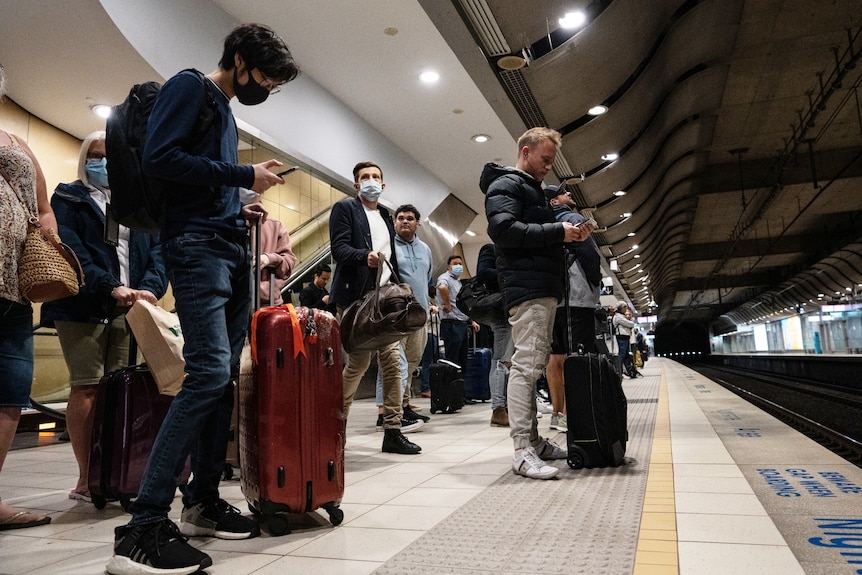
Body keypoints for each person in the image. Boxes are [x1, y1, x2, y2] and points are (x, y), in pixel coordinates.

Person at [107, 23, 300, 575]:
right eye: (264, 75)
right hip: (196, 251)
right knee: (209, 374)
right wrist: (244, 174)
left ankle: (203, 500)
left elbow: (194, 178)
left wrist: (235, 202)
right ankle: (142, 528)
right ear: (238, 60)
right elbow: (159, 159)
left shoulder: (223, 105)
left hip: (226, 246)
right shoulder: (190, 86)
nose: (266, 86)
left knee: (224, 381)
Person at [40, 132, 168, 504]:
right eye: (95, 156)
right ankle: (87, 476)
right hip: (83, 305)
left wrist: (150, 288)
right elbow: (71, 248)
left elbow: (158, 251)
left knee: (123, 390)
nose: (103, 163)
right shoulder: (68, 197)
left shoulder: (136, 203)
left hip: (132, 309)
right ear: (85, 159)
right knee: (87, 387)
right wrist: (110, 286)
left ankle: (118, 471)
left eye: (109, 156)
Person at [480, 127, 584, 480]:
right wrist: (559, 232)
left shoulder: (531, 190)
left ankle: (535, 442)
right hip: (527, 287)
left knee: (534, 364)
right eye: (544, 160)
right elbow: (504, 231)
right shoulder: (504, 185)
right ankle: (522, 449)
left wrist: (566, 230)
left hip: (540, 283)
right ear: (525, 152)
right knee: (526, 366)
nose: (547, 168)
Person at [329, 161, 422, 455]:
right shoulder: (345, 209)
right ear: (357, 185)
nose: (370, 181)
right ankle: (334, 426)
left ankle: (392, 430)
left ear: (383, 185)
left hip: (383, 302)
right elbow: (339, 249)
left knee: (393, 364)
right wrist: (364, 257)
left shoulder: (385, 215)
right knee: (358, 364)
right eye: (364, 177)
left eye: (375, 177)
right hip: (357, 301)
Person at [0, 64, 56, 531]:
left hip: (14, 290)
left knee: (9, 395)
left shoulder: (17, 144)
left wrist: (49, 241)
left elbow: (42, 206)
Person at [542, 185, 600, 434]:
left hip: (552, 299)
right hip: (576, 298)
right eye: (564, 194)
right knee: (576, 357)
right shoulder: (572, 219)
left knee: (555, 358)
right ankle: (570, 415)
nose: (570, 195)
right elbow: (591, 255)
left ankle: (557, 413)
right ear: (555, 202)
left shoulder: (541, 226)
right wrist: (595, 281)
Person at [476, 242, 513, 427]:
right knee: (501, 359)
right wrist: (512, 273)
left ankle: (505, 407)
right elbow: (483, 273)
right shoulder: (490, 248)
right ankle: (498, 409)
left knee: (509, 361)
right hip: (499, 311)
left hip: (513, 309)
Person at [436, 255, 479, 370]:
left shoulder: (458, 282)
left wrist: (471, 320)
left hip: (461, 324)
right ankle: (451, 386)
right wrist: (447, 304)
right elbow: (442, 288)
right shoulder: (445, 277)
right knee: (453, 360)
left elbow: (461, 304)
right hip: (451, 323)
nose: (458, 266)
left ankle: (460, 385)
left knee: (462, 359)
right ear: (448, 266)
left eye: (460, 263)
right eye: (455, 263)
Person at [254, 216, 295, 306]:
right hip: (235, 300)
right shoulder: (229, 221)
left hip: (268, 303)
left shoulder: (274, 225)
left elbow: (289, 263)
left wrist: (270, 259)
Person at [613, 302, 641, 378]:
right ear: (621, 308)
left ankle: (629, 372)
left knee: (626, 356)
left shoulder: (621, 316)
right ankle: (619, 372)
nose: (626, 309)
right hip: (621, 338)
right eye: (625, 307)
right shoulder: (618, 317)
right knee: (622, 356)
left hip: (625, 338)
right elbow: (630, 324)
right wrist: (631, 322)